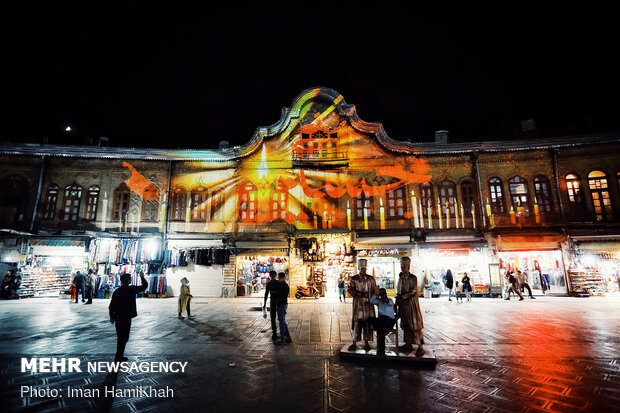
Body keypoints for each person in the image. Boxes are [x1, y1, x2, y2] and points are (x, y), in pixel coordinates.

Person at [108, 272, 148, 362]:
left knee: (121, 337)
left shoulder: (117, 291)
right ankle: (119, 356)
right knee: (124, 337)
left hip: (118, 316)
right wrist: (142, 277)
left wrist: (112, 316)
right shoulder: (131, 289)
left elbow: (112, 305)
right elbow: (144, 286)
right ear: (128, 280)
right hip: (127, 316)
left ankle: (119, 355)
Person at [396, 257, 425, 356]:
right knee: (405, 325)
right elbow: (398, 290)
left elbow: (413, 291)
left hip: (412, 305)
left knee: (415, 325)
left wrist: (403, 296)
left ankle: (420, 346)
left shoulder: (413, 277)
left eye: (405, 266)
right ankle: (408, 344)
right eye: (401, 266)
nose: (403, 268)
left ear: (408, 266)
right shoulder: (400, 277)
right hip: (403, 305)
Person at [347, 259, 377, 351]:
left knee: (368, 323)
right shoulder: (354, 279)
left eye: (364, 268)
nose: (363, 270)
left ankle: (367, 342)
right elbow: (350, 289)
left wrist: (375, 296)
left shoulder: (371, 279)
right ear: (358, 268)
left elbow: (374, 291)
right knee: (357, 323)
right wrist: (357, 294)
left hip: (368, 305)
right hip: (358, 304)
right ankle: (354, 342)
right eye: (361, 268)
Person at [369, 287, 396, 357]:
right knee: (370, 319)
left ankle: (381, 350)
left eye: (383, 293)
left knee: (380, 330)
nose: (382, 295)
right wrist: (375, 294)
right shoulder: (379, 301)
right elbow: (371, 301)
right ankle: (381, 350)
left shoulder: (390, 300)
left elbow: (386, 301)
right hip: (382, 320)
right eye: (381, 294)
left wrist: (383, 298)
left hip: (388, 320)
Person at [263, 271, 280, 342]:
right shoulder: (269, 284)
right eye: (271, 275)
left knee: (280, 318)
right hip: (272, 301)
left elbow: (280, 292)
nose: (273, 276)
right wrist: (264, 303)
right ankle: (274, 332)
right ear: (270, 276)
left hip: (279, 302)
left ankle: (282, 331)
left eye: (274, 275)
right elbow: (266, 293)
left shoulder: (278, 283)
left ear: (275, 276)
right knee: (273, 317)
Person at [275, 272, 291, 345]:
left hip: (282, 305)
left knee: (281, 321)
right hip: (279, 305)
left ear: (284, 278)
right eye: (279, 278)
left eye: (281, 278)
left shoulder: (284, 286)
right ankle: (287, 336)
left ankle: (282, 338)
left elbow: (282, 296)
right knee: (282, 320)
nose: (279, 279)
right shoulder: (279, 285)